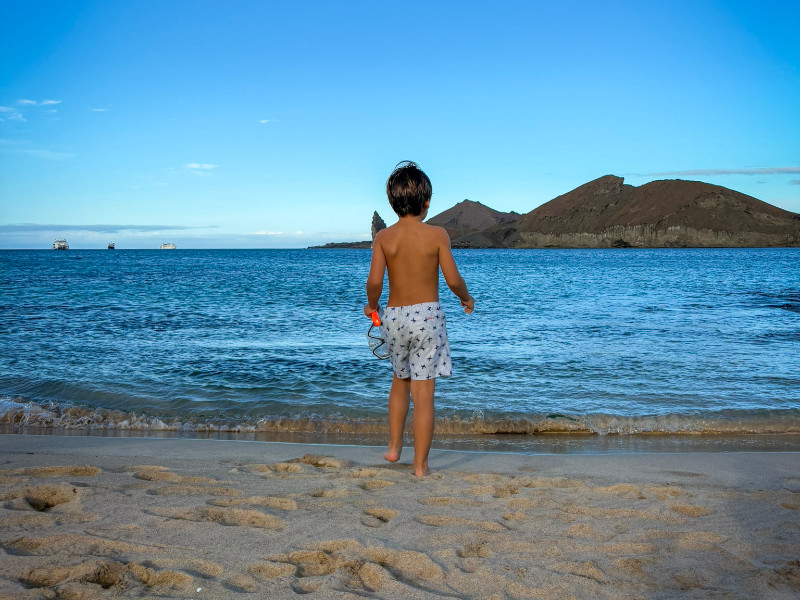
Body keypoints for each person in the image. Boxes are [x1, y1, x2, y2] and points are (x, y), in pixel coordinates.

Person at [364, 161, 474, 476]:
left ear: (392, 203)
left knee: (400, 382)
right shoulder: (437, 235)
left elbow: (375, 282)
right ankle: (421, 465)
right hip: (428, 317)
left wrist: (372, 306)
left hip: (395, 318)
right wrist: (466, 299)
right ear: (427, 203)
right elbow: (453, 279)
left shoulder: (383, 238)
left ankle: (394, 448)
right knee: (423, 396)